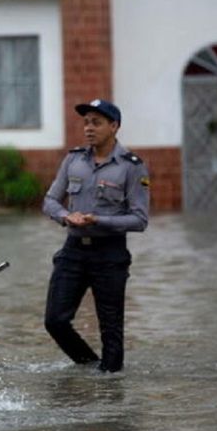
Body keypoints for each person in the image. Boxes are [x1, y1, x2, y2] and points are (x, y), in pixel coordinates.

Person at [42, 99, 150, 373]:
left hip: (110, 254)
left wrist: (98, 220)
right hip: (73, 251)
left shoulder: (131, 166)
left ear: (114, 126)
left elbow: (140, 220)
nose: (89, 128)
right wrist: (65, 216)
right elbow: (50, 201)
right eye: (86, 122)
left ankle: (110, 388)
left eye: (97, 123)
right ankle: (88, 369)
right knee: (55, 321)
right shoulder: (74, 159)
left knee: (111, 331)